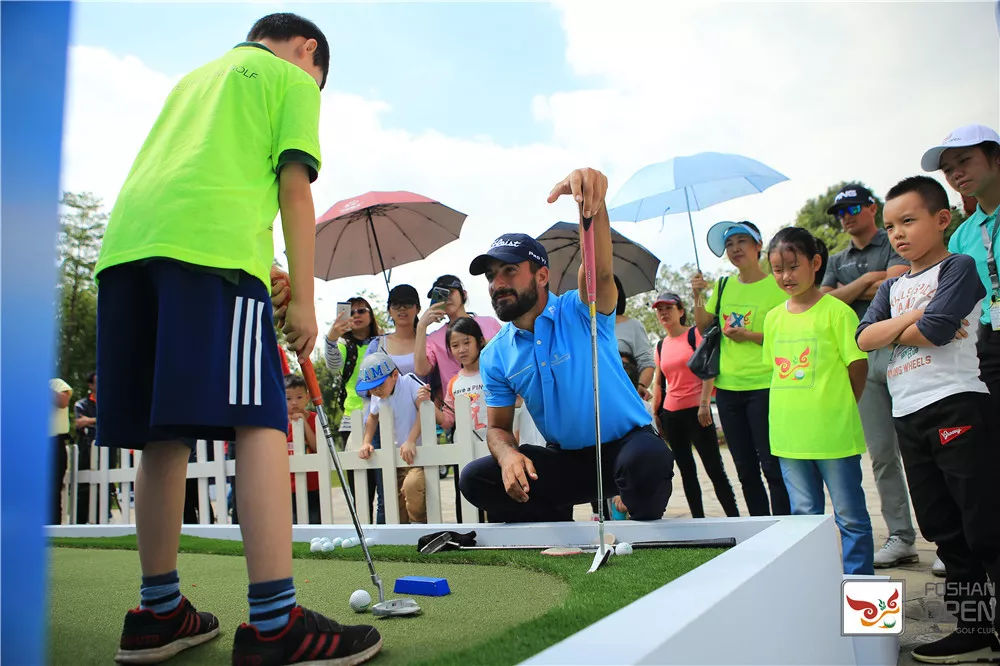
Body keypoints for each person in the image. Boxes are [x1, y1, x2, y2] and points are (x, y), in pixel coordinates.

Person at [92, 13, 381, 664]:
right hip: (213, 260)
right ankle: (276, 623)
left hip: (127, 254)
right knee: (261, 418)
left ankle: (158, 612)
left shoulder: (195, 78)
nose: (314, 88)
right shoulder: (291, 78)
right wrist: (304, 299)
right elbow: (294, 190)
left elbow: (203, 182)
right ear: (308, 50)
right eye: (319, 78)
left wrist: (266, 265)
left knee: (162, 433)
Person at [459, 167, 674, 522]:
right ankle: (556, 525)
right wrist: (508, 455)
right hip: (566, 461)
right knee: (476, 479)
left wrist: (593, 206)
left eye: (509, 271)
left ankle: (633, 508)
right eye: (491, 275)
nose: (497, 284)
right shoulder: (495, 353)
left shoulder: (581, 310)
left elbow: (598, 272)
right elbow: (497, 428)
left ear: (542, 275)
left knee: (646, 461)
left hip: (627, 447)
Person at [857, 176, 1000, 663]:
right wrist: (911, 319)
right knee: (944, 529)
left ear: (941, 220)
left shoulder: (958, 267)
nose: (898, 233)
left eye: (908, 220)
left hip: (957, 404)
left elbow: (938, 330)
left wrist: (897, 327)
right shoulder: (892, 285)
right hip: (908, 414)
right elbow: (863, 338)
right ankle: (974, 631)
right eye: (891, 225)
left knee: (984, 526)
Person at [764, 227, 874, 576]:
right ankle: (817, 585)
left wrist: (840, 407)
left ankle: (860, 593)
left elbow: (858, 366)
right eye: (778, 269)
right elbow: (776, 372)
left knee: (851, 518)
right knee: (804, 519)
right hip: (789, 438)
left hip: (834, 437)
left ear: (815, 263)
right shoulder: (773, 318)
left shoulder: (838, 312)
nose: (785, 276)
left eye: (793, 266)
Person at [819, 183, 918, 568]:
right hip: (859, 358)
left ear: (872, 208)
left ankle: (949, 539)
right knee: (881, 454)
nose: (845, 217)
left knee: (922, 449)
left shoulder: (893, 239)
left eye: (852, 209)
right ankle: (901, 536)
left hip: (901, 350)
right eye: (840, 213)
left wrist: (854, 289)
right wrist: (866, 281)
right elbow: (826, 300)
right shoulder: (836, 258)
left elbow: (895, 286)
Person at [690, 221, 790, 516]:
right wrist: (697, 294)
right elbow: (703, 327)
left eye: (742, 241)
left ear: (758, 245)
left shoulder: (778, 287)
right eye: (729, 244)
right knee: (745, 469)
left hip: (765, 386)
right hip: (728, 390)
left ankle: (783, 525)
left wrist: (750, 336)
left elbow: (788, 335)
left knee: (772, 466)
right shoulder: (724, 286)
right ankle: (760, 525)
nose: (735, 249)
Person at [922, 124, 1000, 411]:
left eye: (965, 160)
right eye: (948, 169)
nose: (956, 173)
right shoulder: (961, 237)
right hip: (989, 339)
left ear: (996, 157)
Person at [650, 291, 739, 519]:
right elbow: (659, 382)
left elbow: (709, 369)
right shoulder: (660, 346)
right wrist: (656, 412)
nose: (664, 313)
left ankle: (734, 518)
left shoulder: (695, 334)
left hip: (698, 413)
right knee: (686, 472)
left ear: (681, 311)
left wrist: (704, 404)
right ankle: (698, 521)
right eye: (660, 310)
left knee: (715, 470)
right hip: (672, 415)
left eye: (668, 308)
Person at [323, 295, 382, 520]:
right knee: (360, 485)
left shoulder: (383, 342)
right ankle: (364, 527)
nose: (356, 315)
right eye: (352, 312)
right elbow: (333, 365)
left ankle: (384, 527)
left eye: (362, 310)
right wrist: (331, 337)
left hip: (382, 415)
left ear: (371, 315)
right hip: (353, 418)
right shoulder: (344, 344)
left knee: (385, 481)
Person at [414, 274, 501, 418]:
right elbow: (421, 369)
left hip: (496, 404)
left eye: (450, 292)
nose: (446, 298)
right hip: (457, 414)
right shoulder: (434, 338)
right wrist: (421, 326)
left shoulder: (489, 323)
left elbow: (507, 356)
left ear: (464, 294)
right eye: (440, 295)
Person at [357, 351, 430, 524]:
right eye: (371, 387)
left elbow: (425, 409)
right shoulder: (377, 397)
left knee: (413, 486)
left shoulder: (409, 382)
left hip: (418, 456)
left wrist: (411, 440)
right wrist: (366, 442)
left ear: (395, 375)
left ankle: (419, 525)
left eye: (379, 385)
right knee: (396, 503)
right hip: (395, 459)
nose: (376, 391)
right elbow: (372, 417)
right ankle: (403, 533)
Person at [442, 317, 489, 443]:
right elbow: (448, 420)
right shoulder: (453, 383)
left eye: (467, 343)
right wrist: (427, 403)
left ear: (480, 341)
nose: (462, 350)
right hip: (464, 448)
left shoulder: (493, 374)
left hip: (494, 445)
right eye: (455, 345)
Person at [613, 275, 655, 399]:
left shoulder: (633, 326)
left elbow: (646, 363)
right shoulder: (586, 327)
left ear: (617, 292)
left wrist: (640, 386)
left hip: (624, 397)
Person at [285, 375, 319, 525]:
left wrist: (304, 423)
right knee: (291, 524)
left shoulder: (314, 418)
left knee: (314, 521)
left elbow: (317, 448)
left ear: (307, 397)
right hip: (287, 486)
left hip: (312, 484)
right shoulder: (280, 422)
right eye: (288, 398)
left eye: (299, 397)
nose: (294, 402)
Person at [73, 372, 98, 524]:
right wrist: (97, 419)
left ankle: (101, 520)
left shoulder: (108, 402)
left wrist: (90, 420)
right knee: (84, 486)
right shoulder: (82, 404)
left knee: (105, 486)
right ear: (90, 385)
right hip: (86, 447)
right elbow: (79, 422)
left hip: (106, 449)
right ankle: (81, 522)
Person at [50, 377, 73, 525]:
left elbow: (63, 401)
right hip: (30, 442)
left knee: (52, 490)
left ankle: (53, 529)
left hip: (53, 442)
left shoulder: (55, 383)